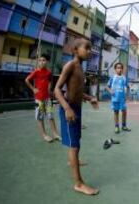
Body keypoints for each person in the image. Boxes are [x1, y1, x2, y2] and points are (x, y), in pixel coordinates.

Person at [54, 38, 99, 195]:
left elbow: (78, 92)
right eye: (86, 48)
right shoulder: (71, 65)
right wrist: (67, 108)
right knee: (73, 145)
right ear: (75, 50)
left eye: (90, 48)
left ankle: (73, 160)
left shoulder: (81, 68)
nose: (89, 51)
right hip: (69, 109)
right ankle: (78, 183)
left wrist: (90, 98)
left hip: (77, 109)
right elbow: (57, 89)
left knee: (77, 141)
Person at [25, 53, 61, 142]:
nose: (41, 62)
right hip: (39, 100)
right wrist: (33, 89)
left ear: (47, 62)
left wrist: (50, 91)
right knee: (40, 118)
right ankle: (44, 135)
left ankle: (55, 134)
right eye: (40, 60)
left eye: (43, 60)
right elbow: (27, 80)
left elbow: (50, 83)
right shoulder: (36, 72)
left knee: (50, 116)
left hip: (47, 99)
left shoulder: (49, 73)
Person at [106, 62, 130, 134]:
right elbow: (107, 87)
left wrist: (127, 95)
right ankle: (116, 126)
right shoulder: (113, 78)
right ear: (115, 69)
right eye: (118, 68)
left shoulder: (124, 78)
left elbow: (127, 87)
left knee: (124, 112)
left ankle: (124, 125)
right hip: (115, 98)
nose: (119, 69)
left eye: (121, 68)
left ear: (122, 69)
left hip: (122, 98)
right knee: (116, 112)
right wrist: (110, 91)